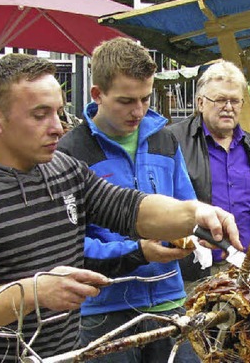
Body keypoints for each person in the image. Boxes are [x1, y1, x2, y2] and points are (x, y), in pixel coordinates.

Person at [0, 54, 241, 363]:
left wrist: (194, 215)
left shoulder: (64, 170)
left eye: (58, 112)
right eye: (40, 114)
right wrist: (33, 292)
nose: (58, 126)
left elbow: (131, 208)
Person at [58, 38, 199, 362]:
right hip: (105, 310)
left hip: (169, 300)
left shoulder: (165, 139)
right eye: (126, 101)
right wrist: (137, 252)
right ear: (97, 94)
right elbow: (68, 246)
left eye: (145, 98)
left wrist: (196, 235)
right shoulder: (70, 152)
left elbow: (186, 209)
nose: (138, 110)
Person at [169, 60, 250, 275]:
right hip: (193, 271)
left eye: (235, 101)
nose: (229, 107)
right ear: (200, 103)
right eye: (221, 100)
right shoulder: (172, 142)